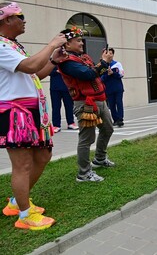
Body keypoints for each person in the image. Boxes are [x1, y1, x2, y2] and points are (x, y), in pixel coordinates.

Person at [0, 1, 67, 230]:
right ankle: (25, 215)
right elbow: (29, 66)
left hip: (32, 109)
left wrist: (54, 60)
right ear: (6, 20)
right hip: (15, 111)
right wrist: (52, 44)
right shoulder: (0, 46)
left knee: (43, 156)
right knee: (23, 164)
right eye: (20, 16)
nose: (24, 21)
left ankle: (16, 202)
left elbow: (38, 72)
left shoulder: (12, 45)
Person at [56, 27, 115, 182]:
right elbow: (88, 74)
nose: (82, 43)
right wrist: (104, 62)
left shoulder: (83, 57)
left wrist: (103, 66)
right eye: (78, 41)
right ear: (67, 44)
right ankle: (84, 173)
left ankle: (100, 159)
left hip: (99, 100)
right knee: (86, 138)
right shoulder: (67, 61)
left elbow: (94, 73)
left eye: (81, 40)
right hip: (85, 103)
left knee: (108, 129)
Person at [101, 48, 125, 127]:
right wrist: (107, 74)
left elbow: (121, 75)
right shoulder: (102, 65)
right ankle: (115, 120)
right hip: (109, 89)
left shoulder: (117, 64)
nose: (109, 55)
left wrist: (113, 73)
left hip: (118, 88)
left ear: (113, 54)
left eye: (111, 53)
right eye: (108, 53)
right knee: (111, 105)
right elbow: (101, 79)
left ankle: (120, 119)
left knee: (119, 102)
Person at [49, 67, 79, 133]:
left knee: (69, 106)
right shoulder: (52, 62)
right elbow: (48, 72)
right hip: (55, 88)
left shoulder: (66, 61)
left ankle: (71, 123)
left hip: (67, 87)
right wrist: (56, 71)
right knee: (56, 107)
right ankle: (56, 125)